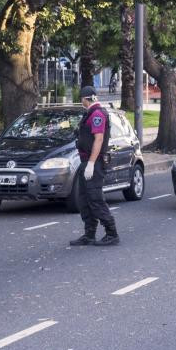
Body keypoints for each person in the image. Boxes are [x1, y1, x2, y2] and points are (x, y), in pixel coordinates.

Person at [70, 85, 119, 247]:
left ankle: (112, 233)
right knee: (84, 200)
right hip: (87, 162)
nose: (81, 101)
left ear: (85, 99)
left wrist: (91, 163)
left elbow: (98, 139)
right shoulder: (90, 114)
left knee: (95, 199)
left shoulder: (97, 114)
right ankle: (89, 234)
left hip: (94, 164)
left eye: (81, 99)